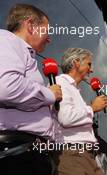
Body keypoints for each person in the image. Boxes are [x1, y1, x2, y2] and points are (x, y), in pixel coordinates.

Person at [0, 4, 62, 175]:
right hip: (16, 153)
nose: (49, 39)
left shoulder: (21, 51)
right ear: (31, 26)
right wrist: (49, 94)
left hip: (27, 151)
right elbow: (6, 87)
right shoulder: (7, 41)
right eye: (46, 31)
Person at [52, 48, 107, 175]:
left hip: (85, 156)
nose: (92, 69)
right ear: (76, 62)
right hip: (72, 154)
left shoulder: (74, 89)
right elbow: (66, 118)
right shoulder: (60, 83)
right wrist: (92, 108)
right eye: (89, 64)